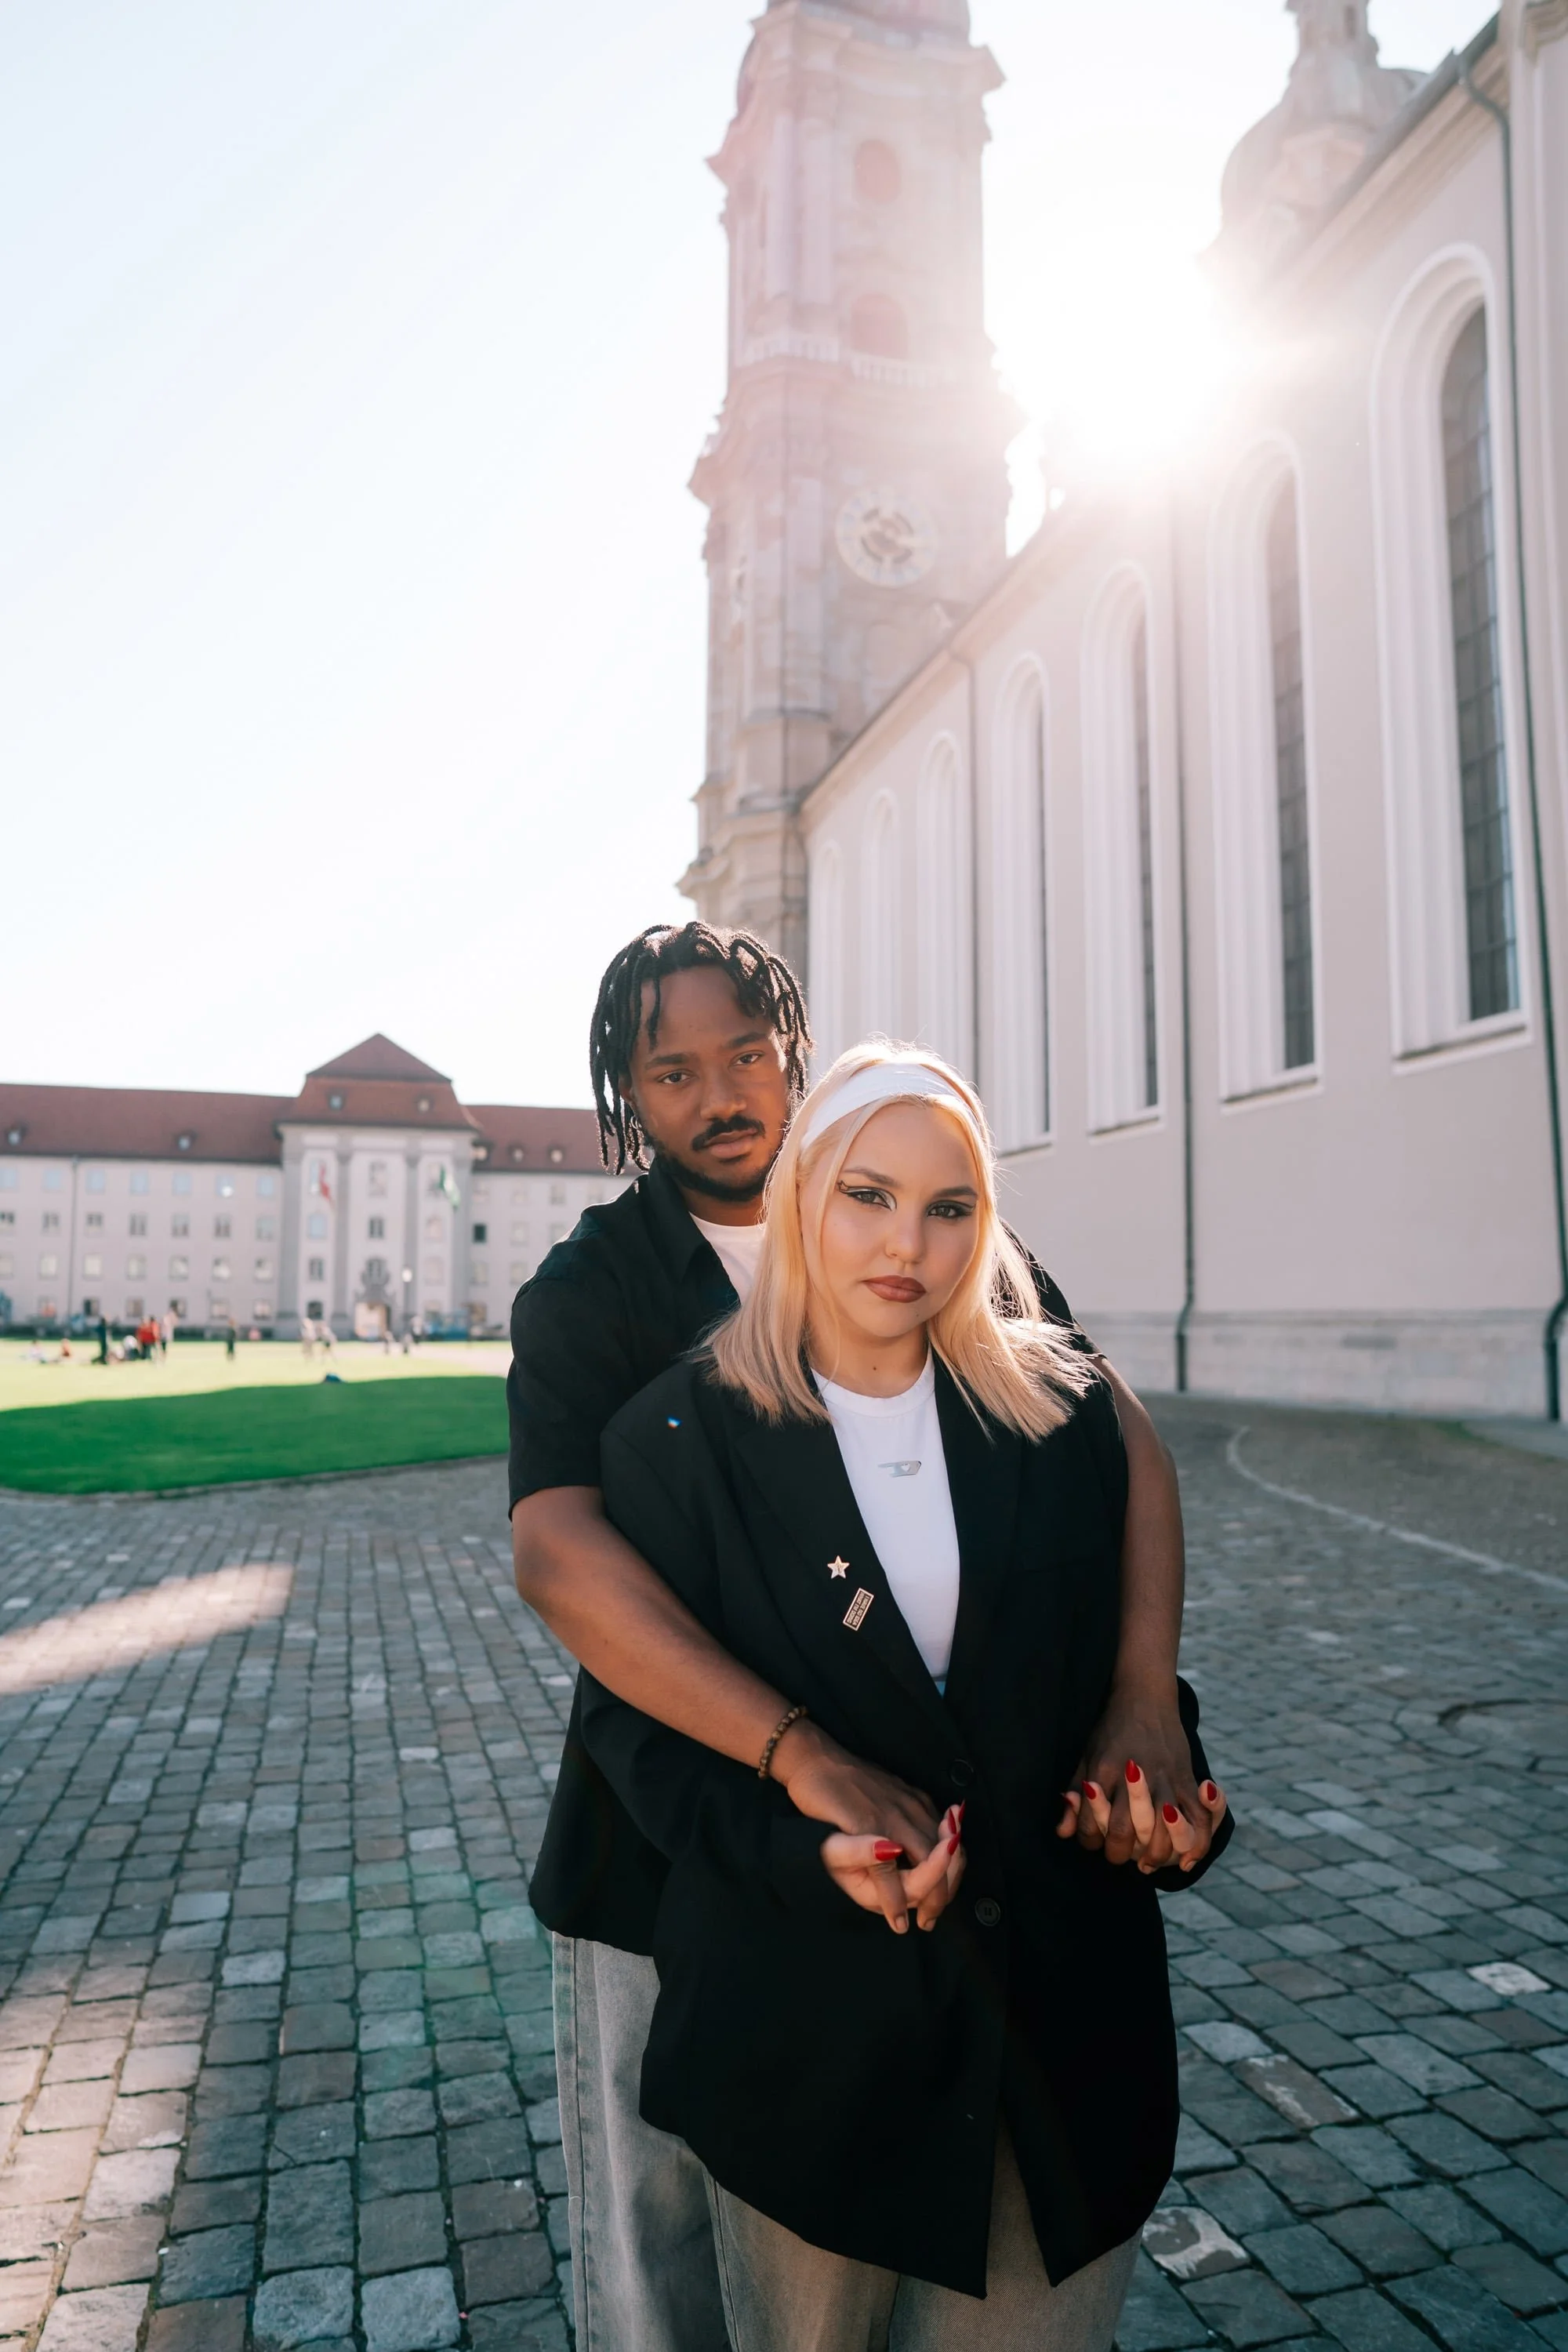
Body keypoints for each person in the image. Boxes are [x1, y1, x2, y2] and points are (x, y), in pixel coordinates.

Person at [510, 923, 1211, 2352]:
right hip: (680, 1813)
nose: (721, 1094)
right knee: (671, 2221)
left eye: (748, 1056)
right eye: (673, 1071)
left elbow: (1101, 1418)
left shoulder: (930, 1213)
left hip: (941, 1816)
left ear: (796, 1056)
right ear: (627, 1096)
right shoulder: (598, 1289)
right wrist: (792, 1757)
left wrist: (1146, 1695)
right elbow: (562, 1552)